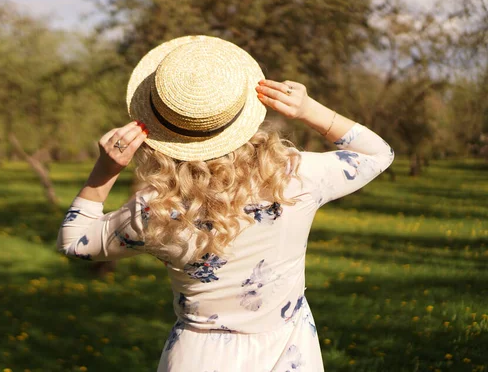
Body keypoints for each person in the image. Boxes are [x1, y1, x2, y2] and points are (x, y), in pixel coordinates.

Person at [57, 36, 394, 371]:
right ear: (243, 109)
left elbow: (74, 241)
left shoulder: (154, 209)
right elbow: (378, 154)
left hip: (197, 358)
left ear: (159, 127)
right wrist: (308, 110)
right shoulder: (293, 177)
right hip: (288, 351)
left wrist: (106, 169)